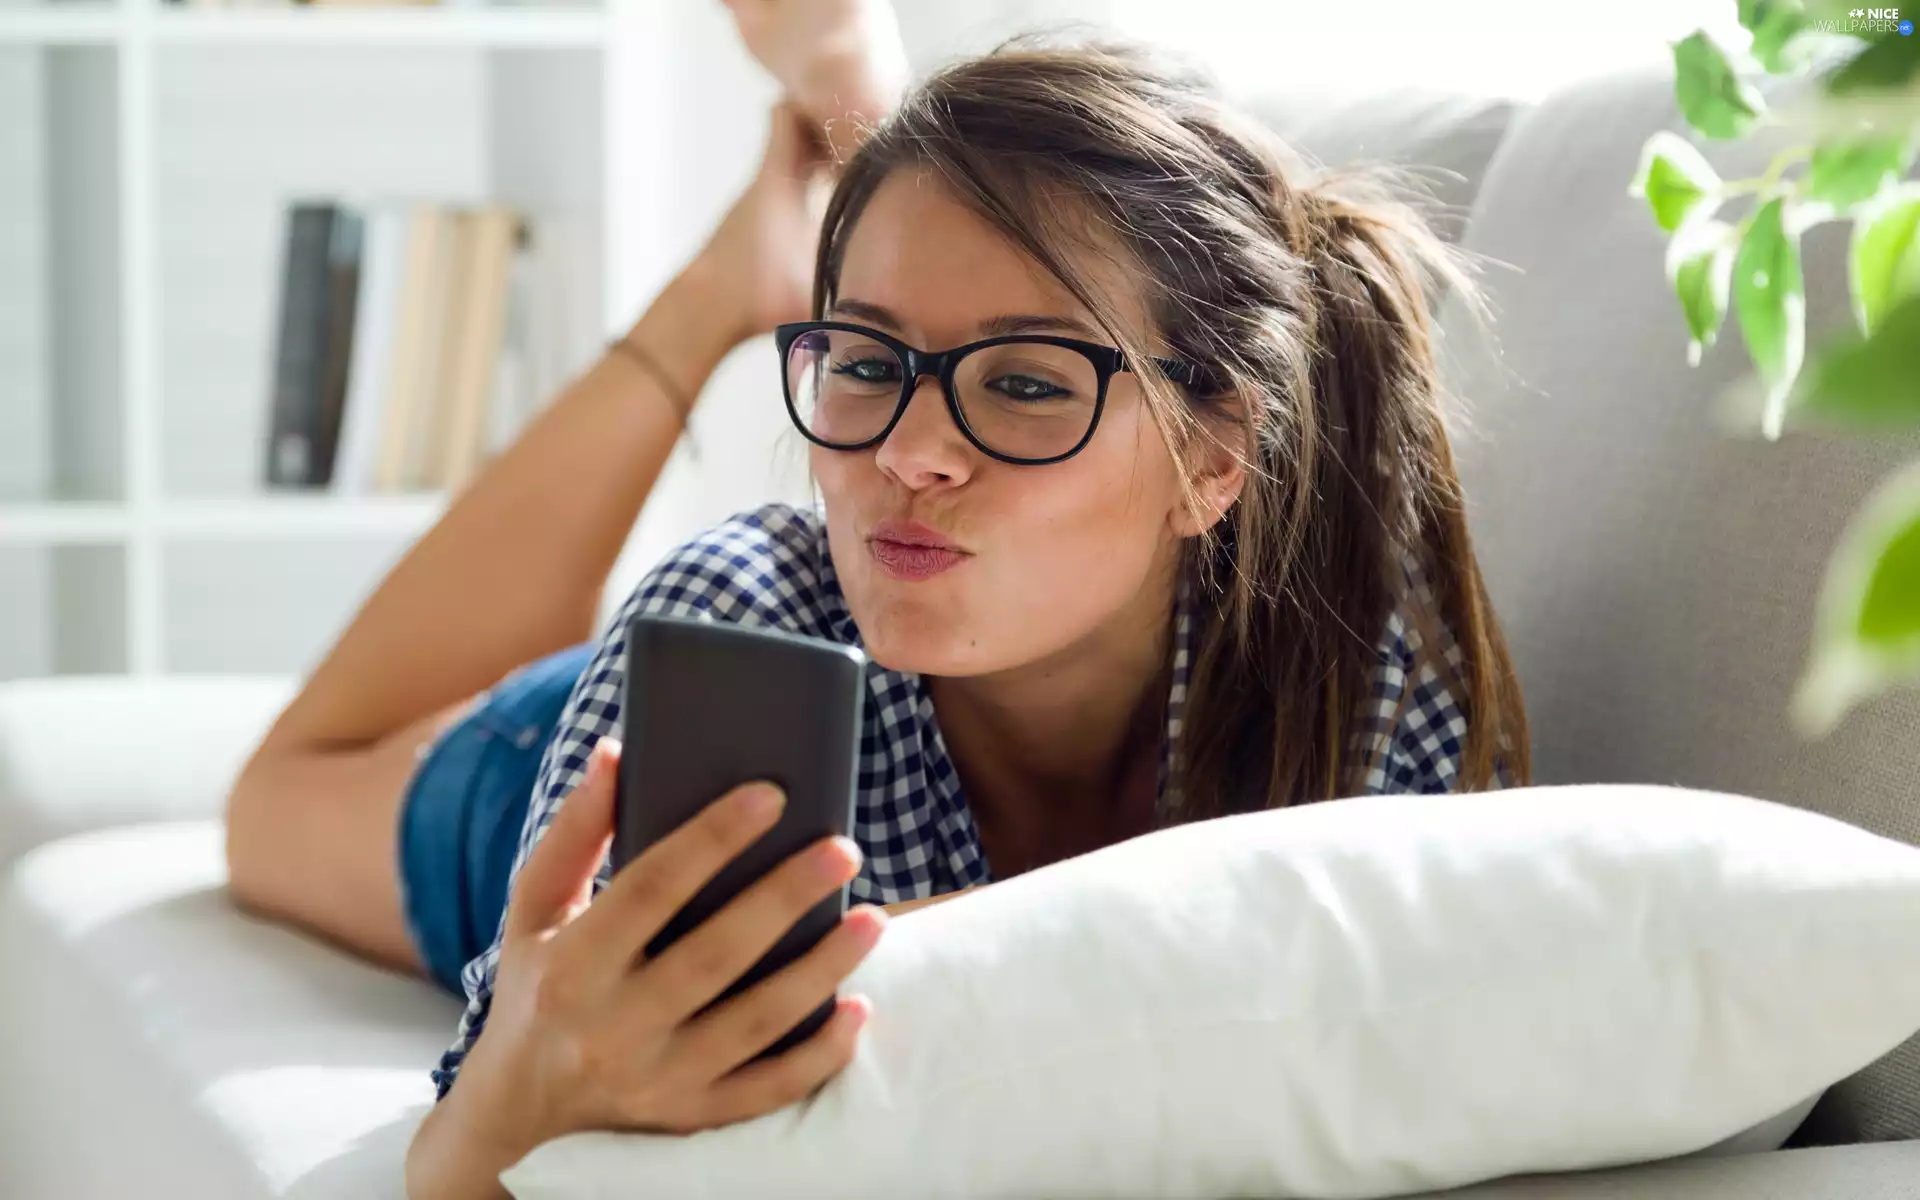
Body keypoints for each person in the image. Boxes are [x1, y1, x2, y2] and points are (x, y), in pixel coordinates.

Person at [221, 4, 1530, 1197]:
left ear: (1211, 461)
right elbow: (483, 1142)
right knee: (272, 809)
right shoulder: (730, 618)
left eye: (1023, 383)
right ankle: (736, 283)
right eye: (865, 358)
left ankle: (852, 157)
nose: (910, 453)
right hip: (592, 767)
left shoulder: (1350, 679)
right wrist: (497, 1107)